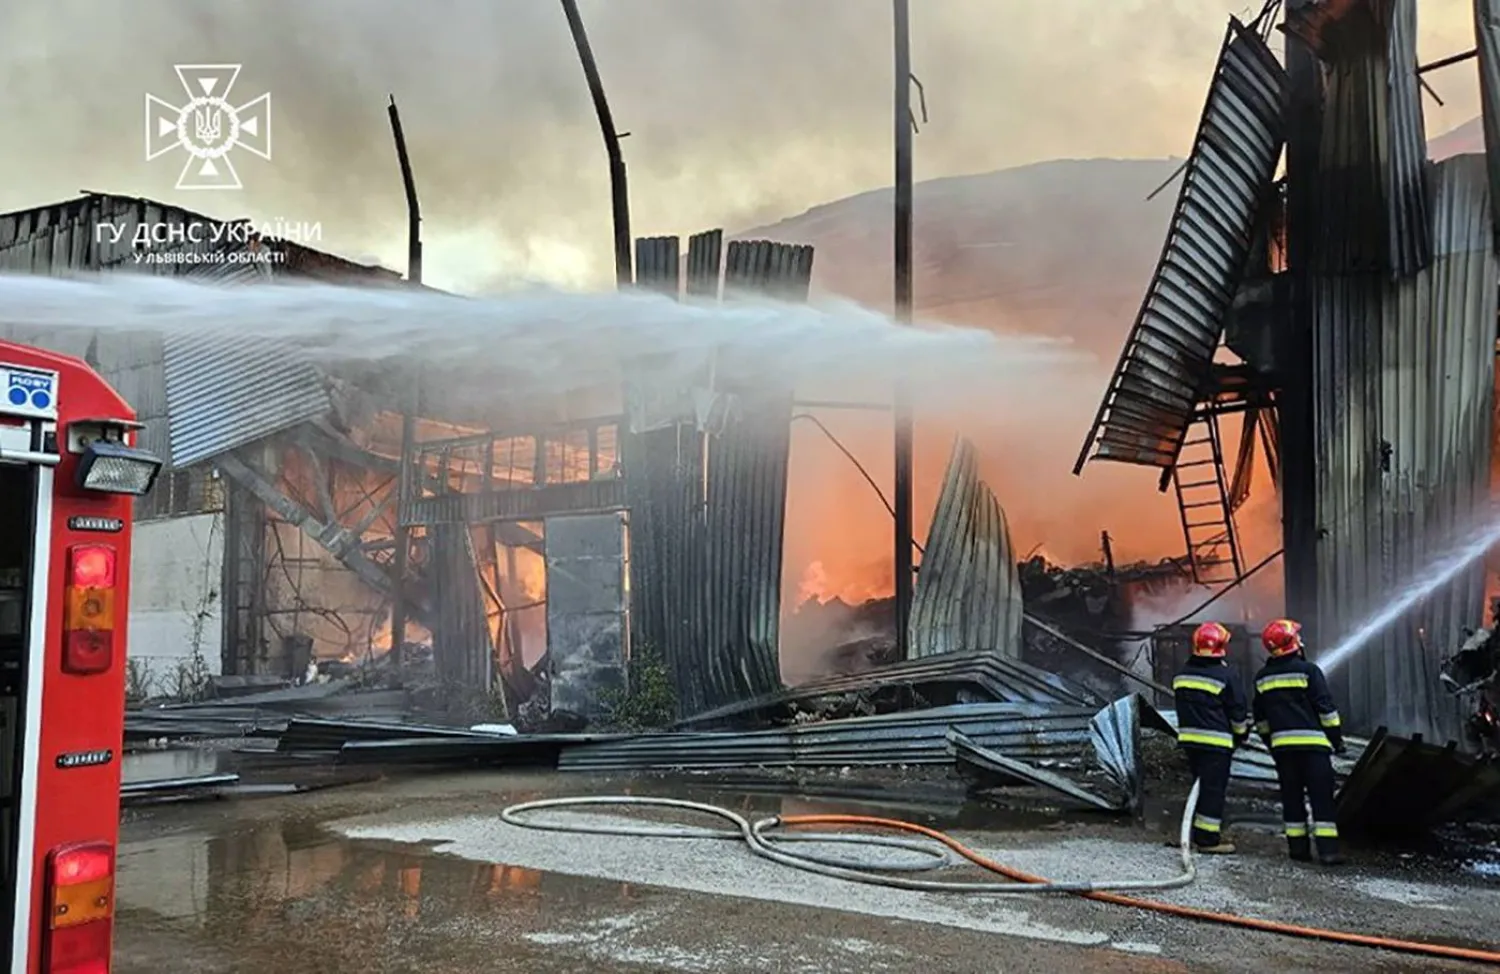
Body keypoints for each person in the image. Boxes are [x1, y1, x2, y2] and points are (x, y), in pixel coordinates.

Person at [1252, 618, 1345, 866]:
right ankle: (1328, 852)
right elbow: (1326, 711)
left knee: (1291, 799)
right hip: (1314, 748)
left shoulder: (1262, 678)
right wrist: (1337, 740)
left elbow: (1260, 720)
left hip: (1283, 751)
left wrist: (1272, 744)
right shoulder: (1309, 671)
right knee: (1321, 799)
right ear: (1293, 643)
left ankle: (1298, 850)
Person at [1172, 621, 1250, 854]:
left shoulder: (1182, 675)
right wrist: (1241, 734)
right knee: (1213, 789)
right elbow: (1237, 711)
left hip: (1190, 741)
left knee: (1201, 785)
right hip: (1216, 743)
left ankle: (1197, 833)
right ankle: (1207, 840)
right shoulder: (1226, 675)